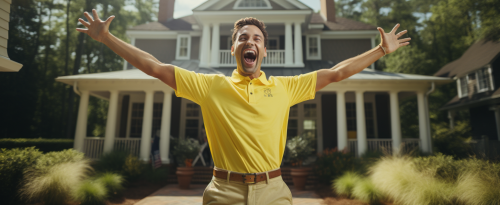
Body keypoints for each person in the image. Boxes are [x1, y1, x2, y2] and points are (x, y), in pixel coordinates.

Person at [77, 10, 410, 204]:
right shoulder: (210, 86)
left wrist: (381, 50)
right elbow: (154, 66)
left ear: (263, 51)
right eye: (243, 38)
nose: (250, 41)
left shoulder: (286, 87)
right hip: (223, 192)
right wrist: (107, 38)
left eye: (257, 39)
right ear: (233, 47)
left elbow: (337, 72)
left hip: (274, 192)